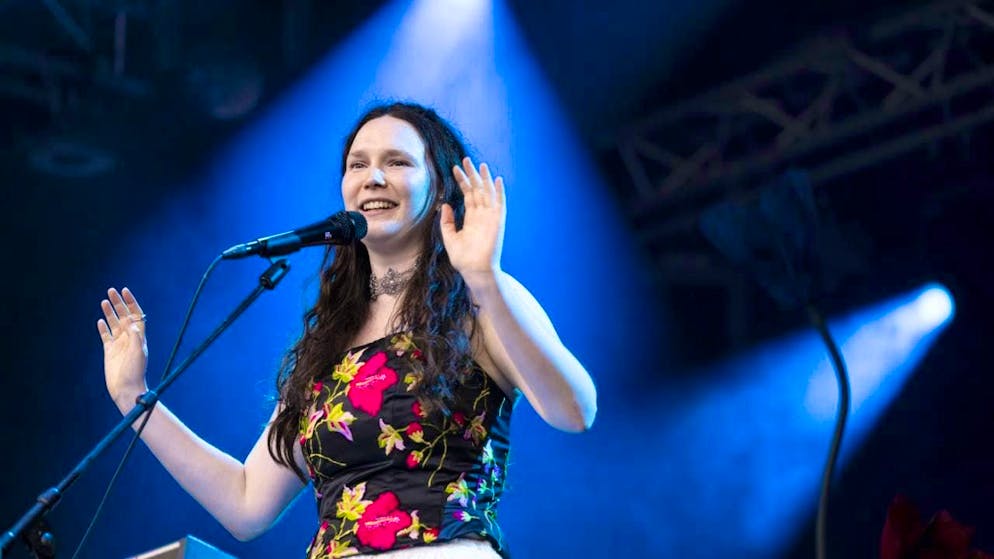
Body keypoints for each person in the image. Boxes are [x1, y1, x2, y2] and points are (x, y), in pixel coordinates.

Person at [98, 102, 597, 558]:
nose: (373, 178)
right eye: (358, 165)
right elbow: (247, 504)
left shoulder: (479, 299)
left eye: (397, 162)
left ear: (440, 190)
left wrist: (484, 277)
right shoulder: (327, 347)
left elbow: (575, 410)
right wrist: (133, 397)